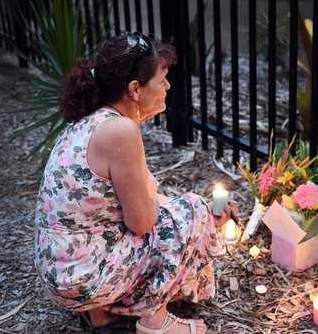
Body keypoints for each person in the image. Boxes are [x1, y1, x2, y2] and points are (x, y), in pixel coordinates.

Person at [34, 32, 234, 334]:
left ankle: (100, 316)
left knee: (173, 212)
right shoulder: (120, 131)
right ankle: (155, 321)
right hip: (83, 275)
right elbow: (143, 223)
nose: (167, 87)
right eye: (162, 80)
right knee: (193, 209)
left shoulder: (91, 119)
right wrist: (201, 217)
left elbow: (105, 209)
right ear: (135, 89)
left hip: (61, 268)